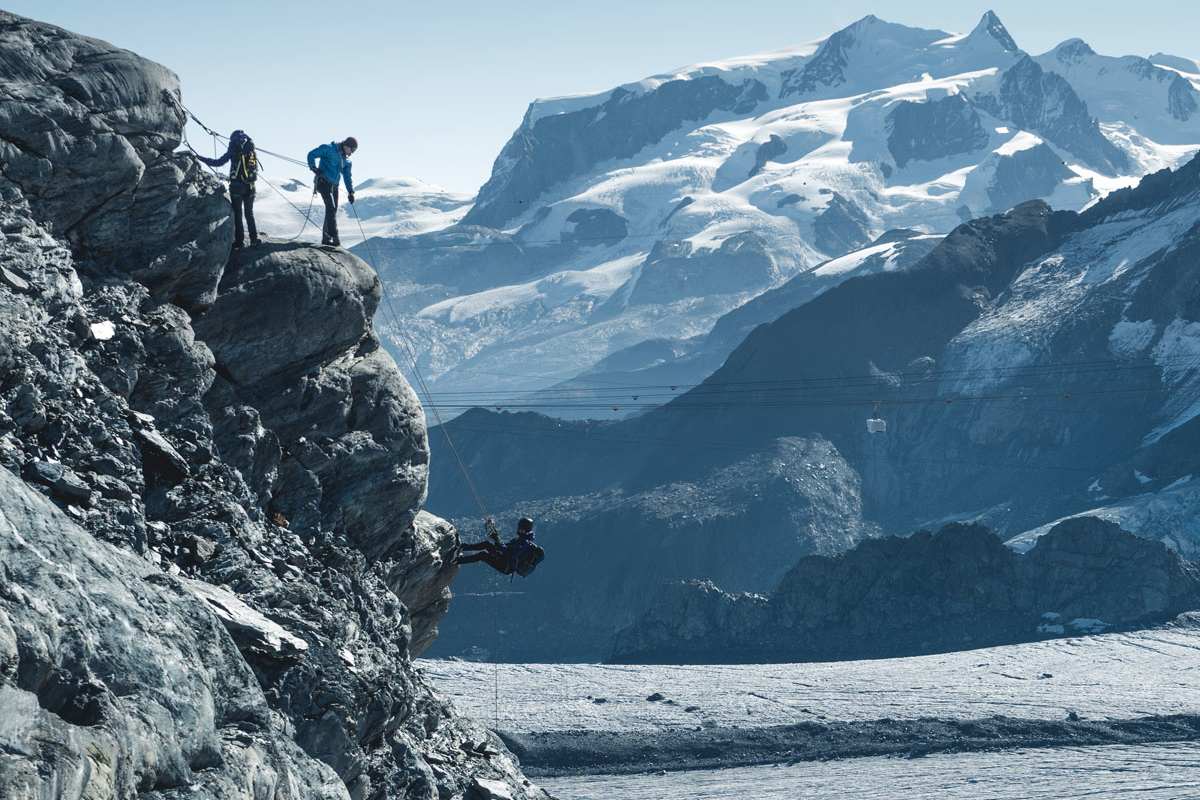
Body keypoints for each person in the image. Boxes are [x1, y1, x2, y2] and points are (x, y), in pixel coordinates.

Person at [198, 130, 260, 249]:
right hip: (250, 186)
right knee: (249, 213)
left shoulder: (234, 149)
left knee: (237, 214)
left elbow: (218, 162)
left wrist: (201, 158)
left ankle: (239, 242)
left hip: (237, 187)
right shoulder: (251, 149)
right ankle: (254, 239)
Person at [306, 137, 357, 247]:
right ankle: (334, 237)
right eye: (352, 150)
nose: (351, 153)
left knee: (333, 210)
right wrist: (314, 168)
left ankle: (326, 238)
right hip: (323, 182)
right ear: (346, 146)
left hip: (334, 186)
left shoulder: (346, 161)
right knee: (331, 207)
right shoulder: (329, 149)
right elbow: (311, 154)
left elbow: (347, 177)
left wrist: (351, 192)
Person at [457, 517, 544, 576]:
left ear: (522, 528)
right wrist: (496, 539)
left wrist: (496, 540)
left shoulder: (523, 543)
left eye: (519, 527)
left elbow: (507, 551)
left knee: (483, 555)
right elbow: (506, 547)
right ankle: (462, 547)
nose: (518, 529)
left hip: (506, 566)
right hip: (506, 560)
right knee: (487, 545)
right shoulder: (523, 539)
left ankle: (457, 560)